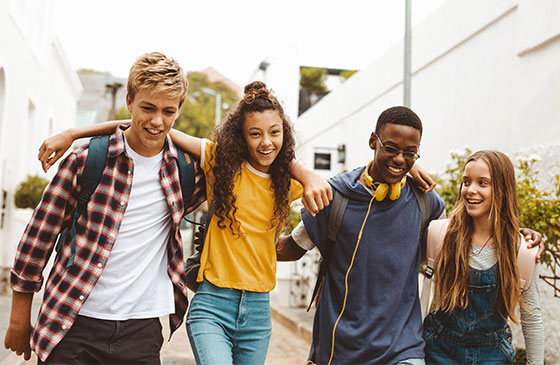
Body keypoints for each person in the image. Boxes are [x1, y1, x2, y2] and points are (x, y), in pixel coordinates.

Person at [33, 80, 334, 364]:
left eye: (274, 132)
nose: (266, 142)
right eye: (255, 133)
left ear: (285, 134)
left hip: (258, 311)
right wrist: (73, 134)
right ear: (241, 136)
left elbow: (329, 189)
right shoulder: (221, 163)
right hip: (213, 303)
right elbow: (150, 129)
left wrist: (307, 174)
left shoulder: (287, 183)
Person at [276, 106, 544, 364]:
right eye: (391, 148)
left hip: (405, 350)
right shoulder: (335, 198)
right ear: (373, 141)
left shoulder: (426, 203)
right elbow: (290, 248)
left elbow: (470, 232)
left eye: (410, 153)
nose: (399, 159)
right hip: (342, 349)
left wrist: (516, 237)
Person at [3, 52, 207, 364]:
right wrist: (19, 317)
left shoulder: (185, 172)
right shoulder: (86, 161)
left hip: (142, 329)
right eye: (147, 108)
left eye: (168, 111)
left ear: (179, 110)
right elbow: (36, 240)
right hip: (73, 322)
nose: (156, 120)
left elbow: (243, 156)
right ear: (129, 100)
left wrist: (305, 176)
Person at [422, 150, 544, 364]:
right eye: (466, 182)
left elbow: (532, 319)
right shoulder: (441, 235)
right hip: (438, 352)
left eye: (482, 183)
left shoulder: (521, 249)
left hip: (494, 355)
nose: (470, 190)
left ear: (503, 190)